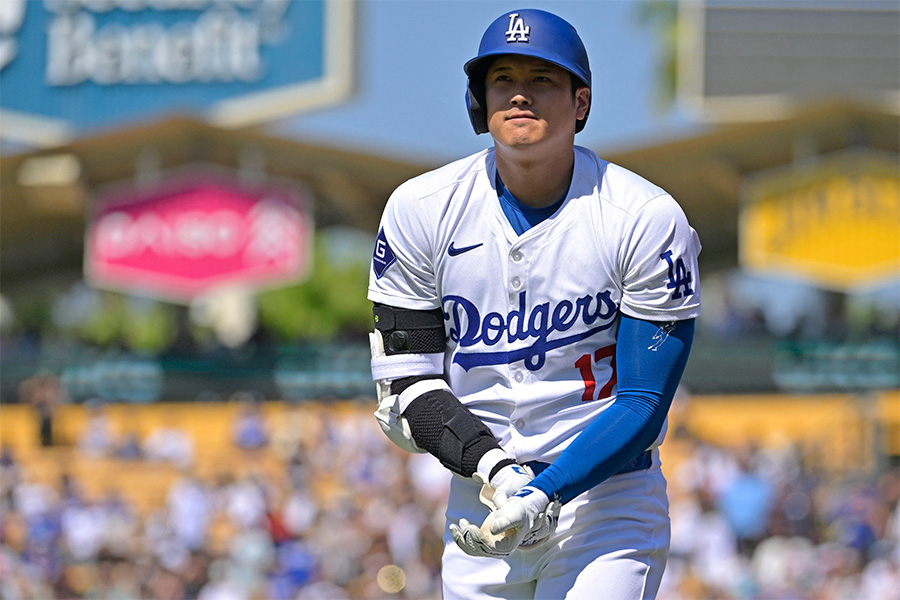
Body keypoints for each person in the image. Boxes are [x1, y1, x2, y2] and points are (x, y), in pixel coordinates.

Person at [367, 8, 701, 599]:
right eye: (503, 79)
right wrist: (500, 477)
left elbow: (645, 401)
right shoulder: (420, 209)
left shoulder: (643, 218)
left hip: (605, 500)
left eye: (543, 79)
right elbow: (408, 390)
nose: (520, 94)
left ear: (581, 102)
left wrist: (547, 492)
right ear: (480, 101)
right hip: (482, 497)